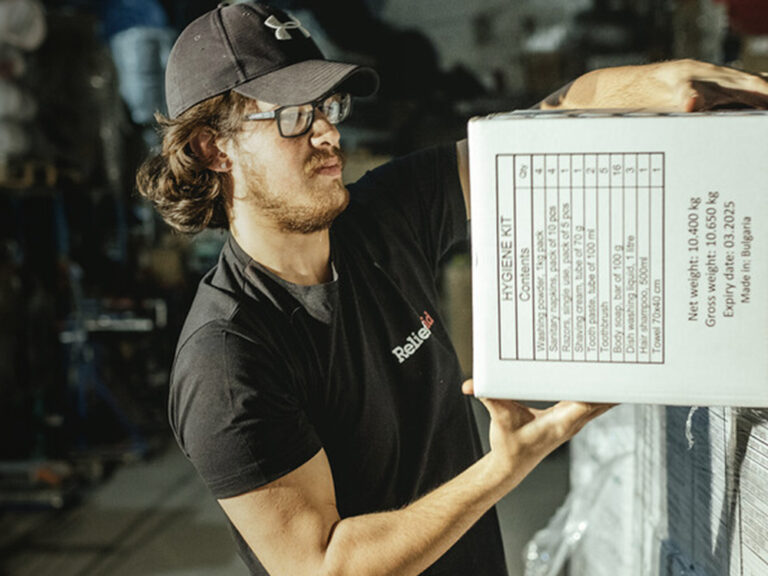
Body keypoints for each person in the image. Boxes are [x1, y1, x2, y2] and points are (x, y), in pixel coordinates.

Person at [136, 2, 768, 574]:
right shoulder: (227, 360)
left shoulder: (381, 219)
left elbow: (539, 129)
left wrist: (657, 84)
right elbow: (326, 566)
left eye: (330, 108)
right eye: (296, 116)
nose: (329, 134)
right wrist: (506, 464)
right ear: (212, 148)